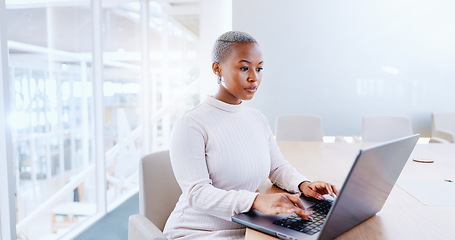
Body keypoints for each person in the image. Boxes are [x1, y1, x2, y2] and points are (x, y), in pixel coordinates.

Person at [163, 31, 338, 240]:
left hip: (249, 226)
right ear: (217, 68)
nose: (254, 77)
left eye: (259, 68)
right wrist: (255, 201)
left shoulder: (256, 118)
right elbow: (196, 194)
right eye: (244, 67)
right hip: (197, 232)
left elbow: (277, 167)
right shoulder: (191, 123)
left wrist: (303, 184)